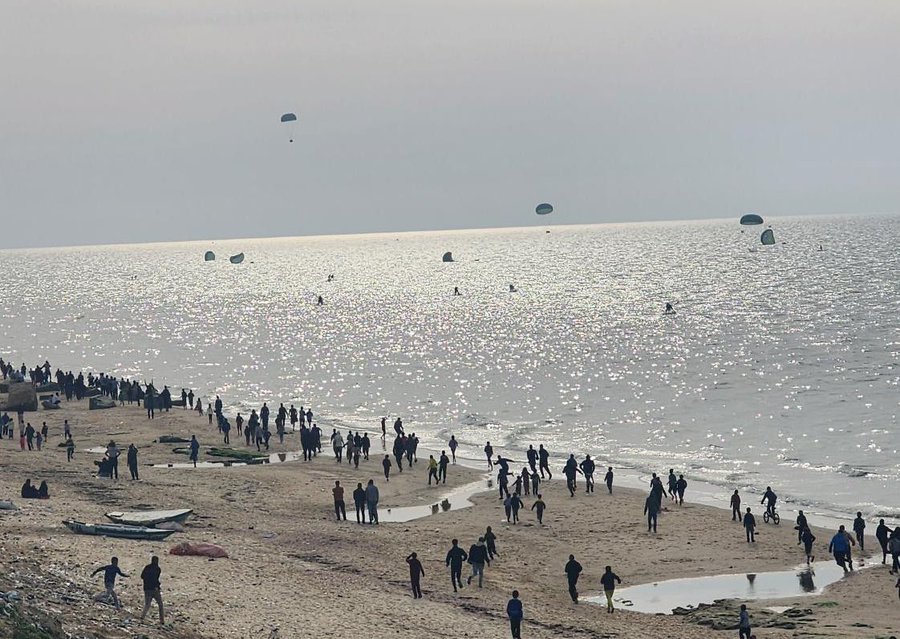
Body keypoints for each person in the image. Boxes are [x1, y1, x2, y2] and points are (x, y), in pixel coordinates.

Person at [139, 556, 164, 625]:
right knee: (160, 604)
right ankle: (162, 620)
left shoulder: (147, 567)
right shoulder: (158, 569)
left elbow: (142, 576)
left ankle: (142, 617)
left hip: (146, 588)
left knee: (147, 604)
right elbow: (156, 579)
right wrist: (157, 586)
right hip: (154, 589)